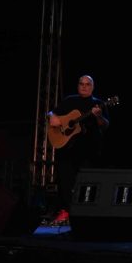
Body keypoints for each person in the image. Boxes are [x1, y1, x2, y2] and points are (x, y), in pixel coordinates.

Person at [47, 75, 109, 225]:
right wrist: (52, 117)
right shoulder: (70, 100)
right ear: (78, 86)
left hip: (89, 149)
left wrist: (99, 117)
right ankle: (66, 211)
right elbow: (51, 113)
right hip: (67, 148)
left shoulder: (98, 104)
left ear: (92, 87)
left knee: (87, 181)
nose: (84, 86)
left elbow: (105, 125)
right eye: (81, 84)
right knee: (65, 180)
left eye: (88, 84)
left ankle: (86, 213)